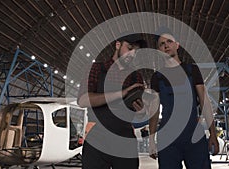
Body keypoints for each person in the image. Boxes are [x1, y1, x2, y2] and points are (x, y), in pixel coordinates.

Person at [148, 29, 220, 169]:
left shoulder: (192, 70)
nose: (166, 45)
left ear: (177, 45)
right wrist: (151, 140)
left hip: (193, 135)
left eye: (169, 41)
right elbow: (154, 111)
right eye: (162, 44)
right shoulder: (157, 78)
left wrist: (213, 134)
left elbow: (205, 103)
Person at [77, 33, 147, 169]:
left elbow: (139, 115)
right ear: (118, 45)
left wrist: (141, 111)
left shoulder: (135, 77)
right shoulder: (96, 69)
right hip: (97, 139)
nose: (132, 54)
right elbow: (83, 100)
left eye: (136, 51)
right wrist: (122, 93)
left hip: (125, 139)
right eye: (130, 48)